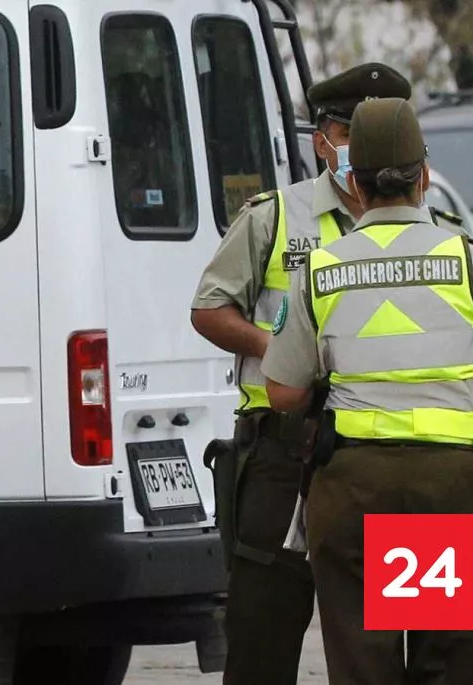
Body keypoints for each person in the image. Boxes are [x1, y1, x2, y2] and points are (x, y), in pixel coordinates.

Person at [261, 97, 473, 685]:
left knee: (365, 667)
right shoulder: (471, 261)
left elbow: (283, 392)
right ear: (425, 178)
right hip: (450, 488)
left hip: (354, 488)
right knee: (444, 665)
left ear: (354, 186)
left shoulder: (317, 269)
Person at [190, 62, 410, 685]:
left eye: (385, 135)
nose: (368, 152)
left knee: (417, 646)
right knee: (262, 640)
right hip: (285, 453)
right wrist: (286, 350)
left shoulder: (439, 238)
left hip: (404, 456)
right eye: (355, 134)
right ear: (323, 140)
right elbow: (209, 308)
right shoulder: (272, 217)